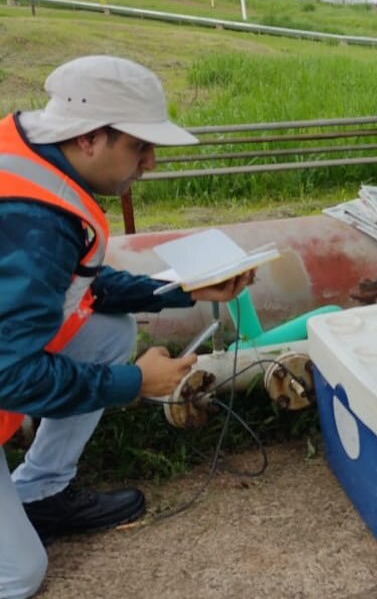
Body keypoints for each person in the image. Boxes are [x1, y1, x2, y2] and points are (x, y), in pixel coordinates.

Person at [0, 55, 254, 599]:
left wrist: (183, 288)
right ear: (91, 137)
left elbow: (82, 285)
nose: (152, 162)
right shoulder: (33, 217)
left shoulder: (30, 157)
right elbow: (12, 377)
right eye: (141, 146)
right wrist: (137, 384)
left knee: (109, 331)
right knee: (18, 574)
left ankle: (39, 493)